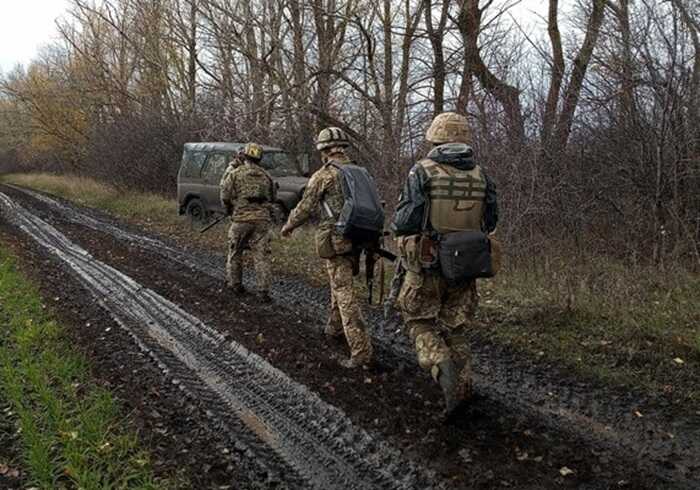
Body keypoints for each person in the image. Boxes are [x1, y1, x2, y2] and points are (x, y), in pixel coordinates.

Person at [391, 112, 498, 415]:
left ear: (435, 138)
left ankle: (442, 366)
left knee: (419, 320)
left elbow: (405, 220)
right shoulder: (481, 174)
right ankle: (464, 386)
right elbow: (491, 220)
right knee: (457, 326)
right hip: (467, 264)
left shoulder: (422, 172)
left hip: (429, 263)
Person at [280, 127, 373, 369]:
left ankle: (361, 350)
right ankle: (334, 328)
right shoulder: (359, 171)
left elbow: (305, 206)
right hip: (358, 238)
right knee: (339, 282)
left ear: (323, 150)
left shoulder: (324, 175)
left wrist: (288, 226)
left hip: (336, 238)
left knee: (344, 292)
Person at [220, 143, 276, 302]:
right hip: (262, 221)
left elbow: (224, 194)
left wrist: (229, 209)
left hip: (241, 220)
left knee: (235, 252)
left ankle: (235, 284)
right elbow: (273, 197)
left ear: (244, 156)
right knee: (262, 256)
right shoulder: (267, 175)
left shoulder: (235, 174)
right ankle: (263, 292)